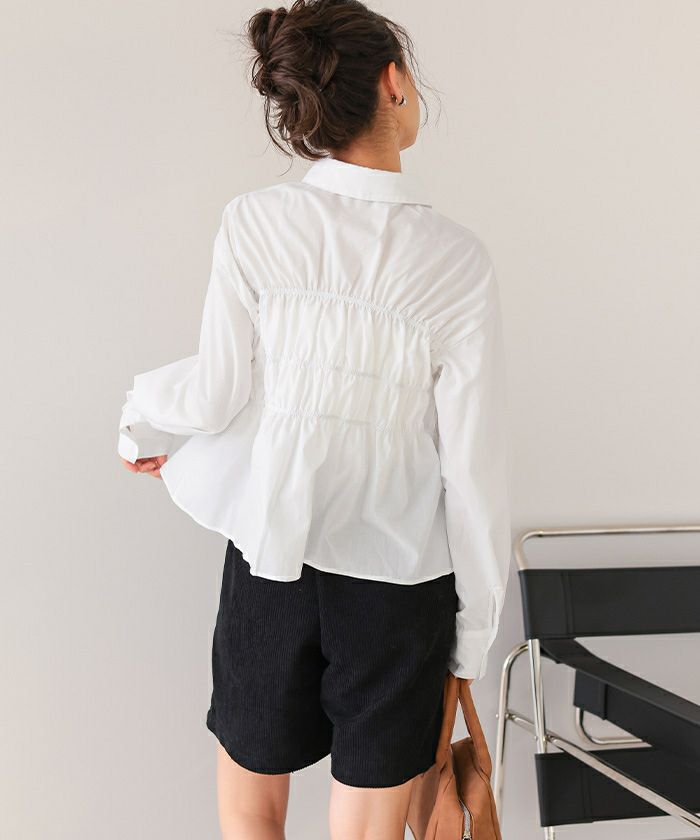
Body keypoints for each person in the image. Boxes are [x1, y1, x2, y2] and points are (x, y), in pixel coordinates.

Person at [118, 1, 511, 837]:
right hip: (398, 584)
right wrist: (471, 637)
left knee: (249, 817)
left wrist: (143, 419)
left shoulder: (255, 221)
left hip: (272, 559)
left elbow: (217, 392)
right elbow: (472, 468)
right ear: (393, 82)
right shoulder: (457, 261)